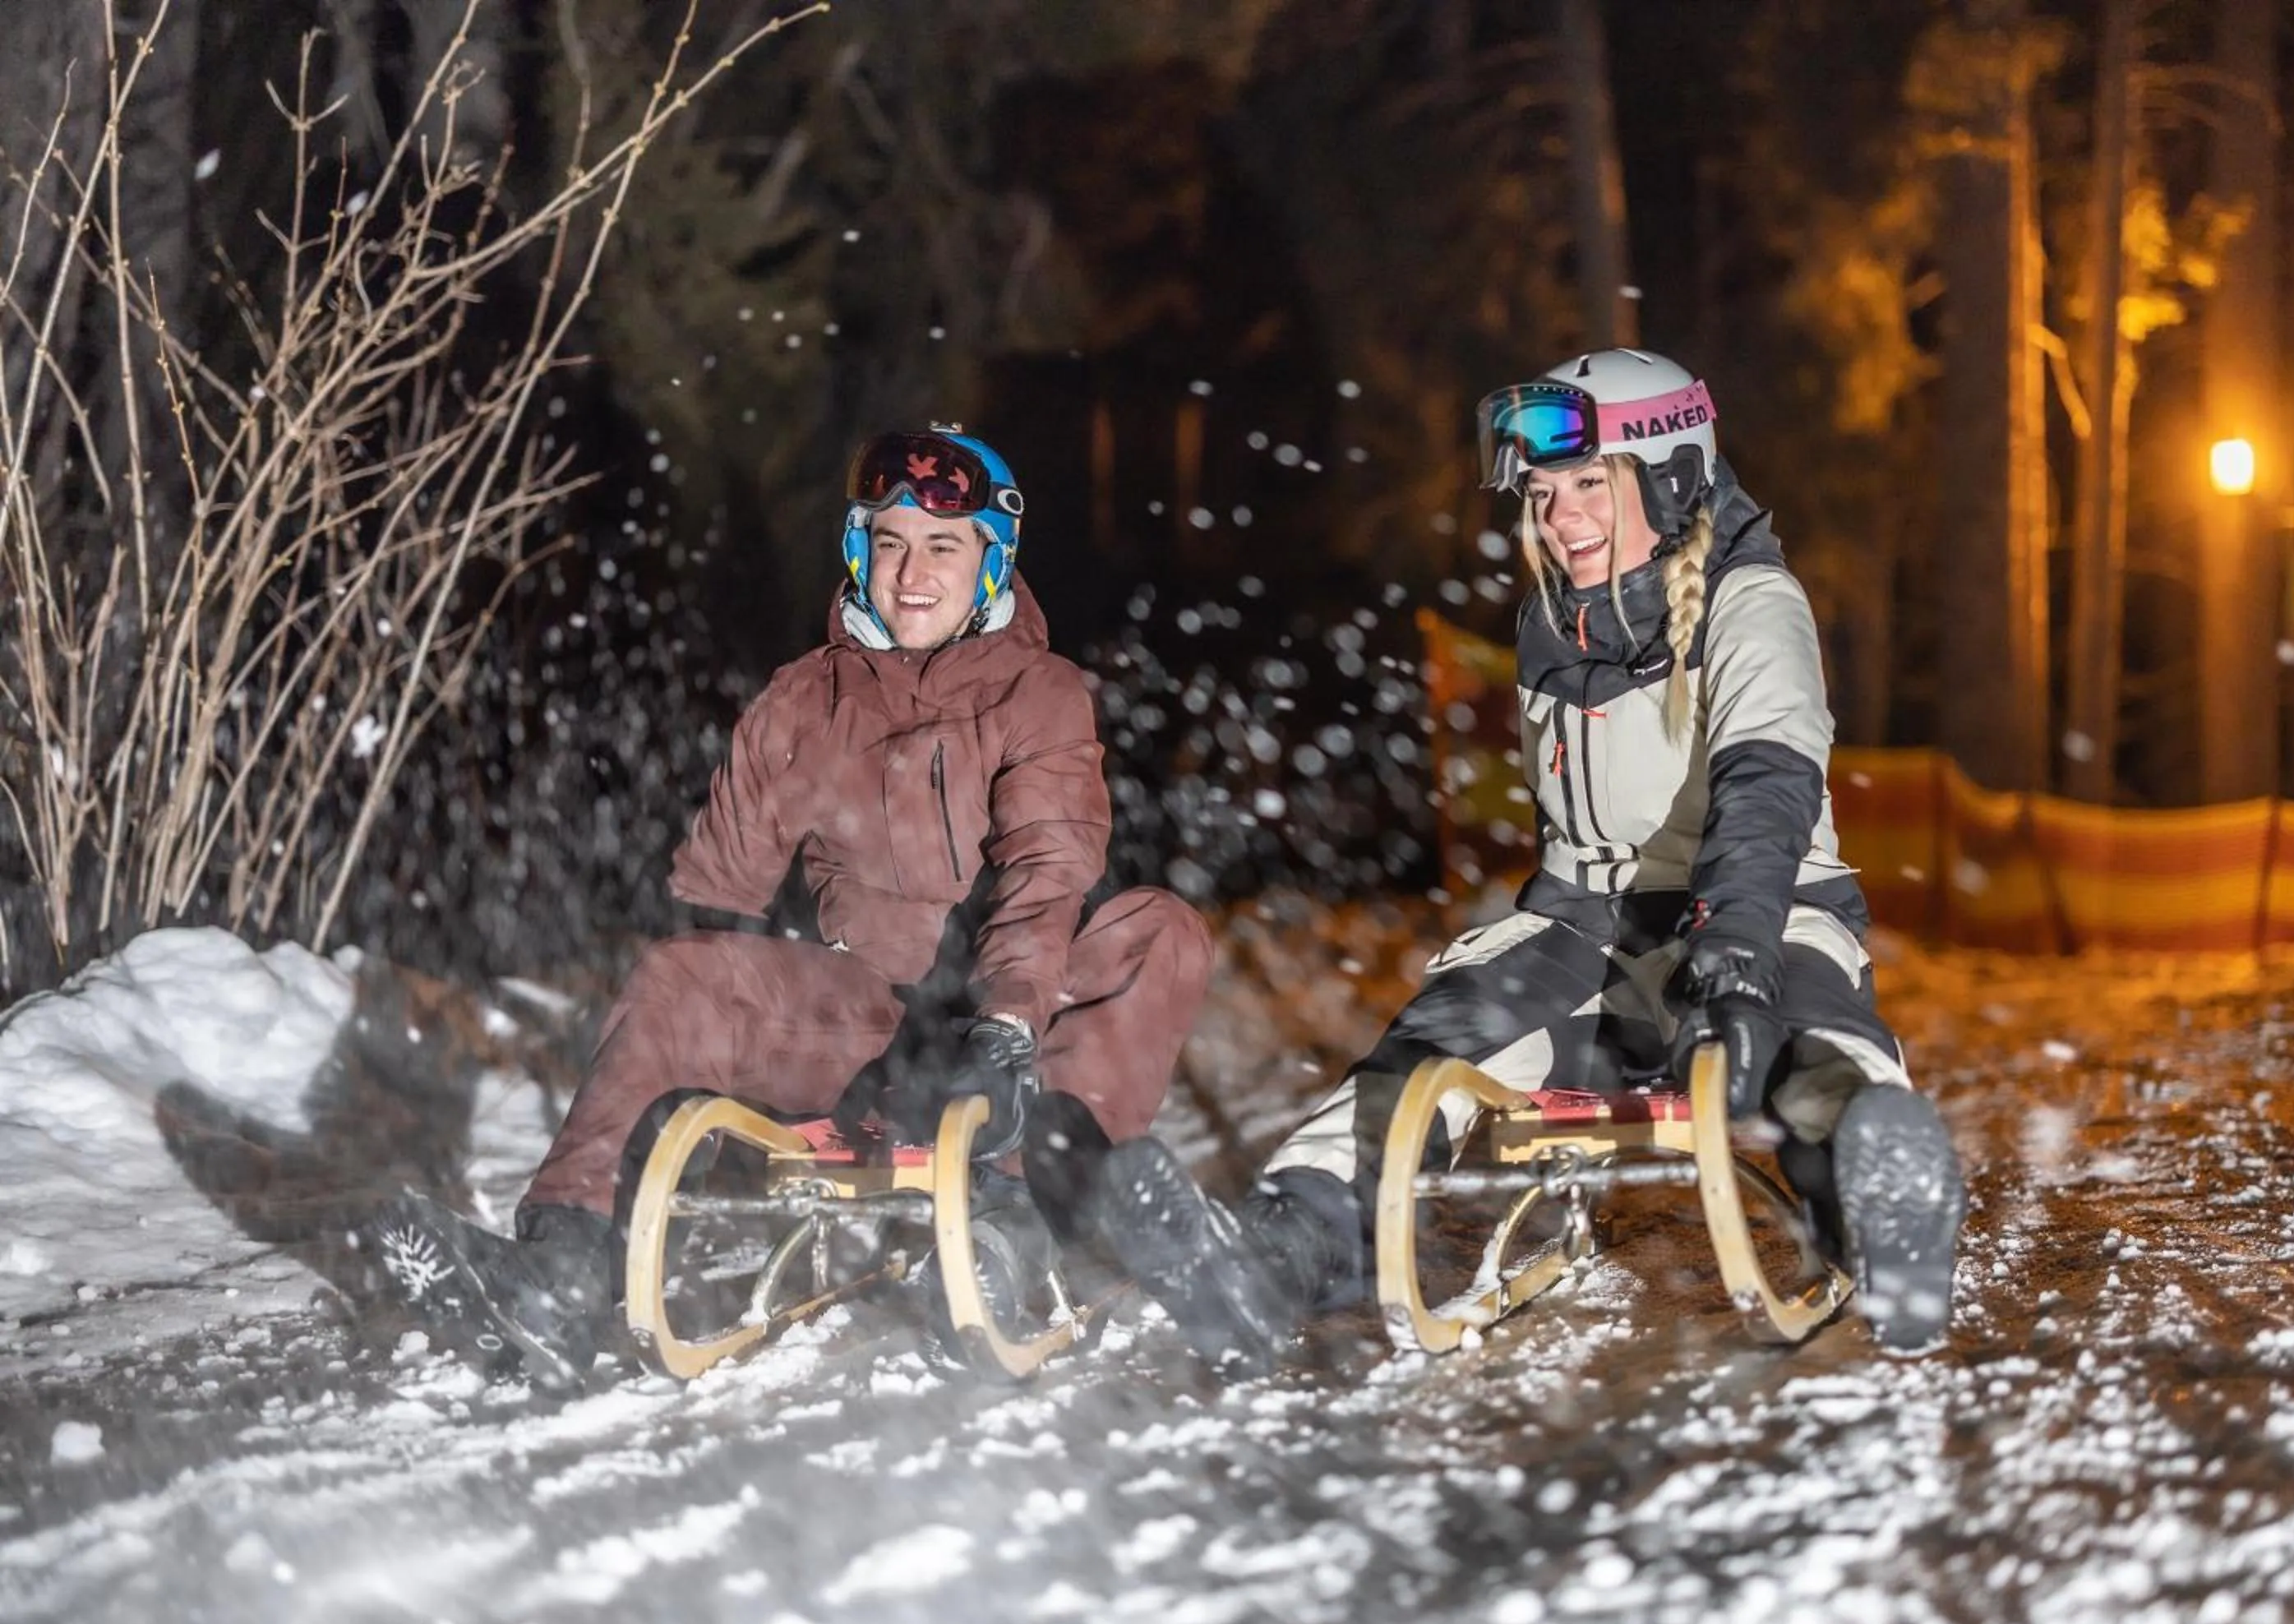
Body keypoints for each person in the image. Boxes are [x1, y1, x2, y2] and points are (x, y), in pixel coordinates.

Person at [1093, 348, 1965, 1376]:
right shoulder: (1554, 618)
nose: (1560, 515)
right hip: (1587, 931)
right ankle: (1273, 1257)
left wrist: (1732, 952)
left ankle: (1886, 1206)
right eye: (1545, 492)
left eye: (1591, 483)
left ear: (1673, 474)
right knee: (1429, 1052)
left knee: (1804, 1040)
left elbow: (1768, 785)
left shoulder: (1751, 602)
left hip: (1756, 904)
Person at [372, 424, 1214, 1386]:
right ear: (861, 551)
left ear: (990, 561)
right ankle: (558, 1273)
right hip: (866, 1026)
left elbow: (1047, 861)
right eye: (890, 542)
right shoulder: (801, 700)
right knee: (676, 973)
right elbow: (714, 900)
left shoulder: (1039, 692)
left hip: (1013, 1032)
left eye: (944, 545)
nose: (911, 572)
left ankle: (1007, 1229)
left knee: (1157, 930)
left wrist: (1009, 1024)